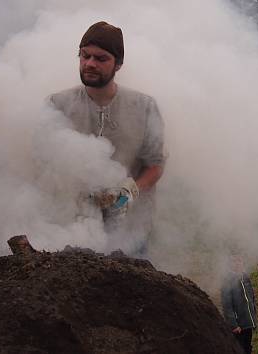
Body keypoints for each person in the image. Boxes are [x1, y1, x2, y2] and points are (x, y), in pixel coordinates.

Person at [48, 21, 165, 251]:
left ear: (118, 64)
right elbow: (42, 165)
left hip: (130, 233)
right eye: (85, 56)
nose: (90, 64)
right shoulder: (58, 105)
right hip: (71, 230)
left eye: (100, 58)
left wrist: (128, 192)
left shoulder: (143, 107)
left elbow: (156, 165)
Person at [220, 253, 257, 354]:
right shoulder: (227, 281)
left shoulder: (245, 277)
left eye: (239, 261)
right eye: (234, 261)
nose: (237, 264)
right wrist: (233, 324)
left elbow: (252, 298)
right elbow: (227, 305)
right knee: (238, 349)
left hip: (248, 323)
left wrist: (254, 318)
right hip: (238, 325)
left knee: (247, 347)